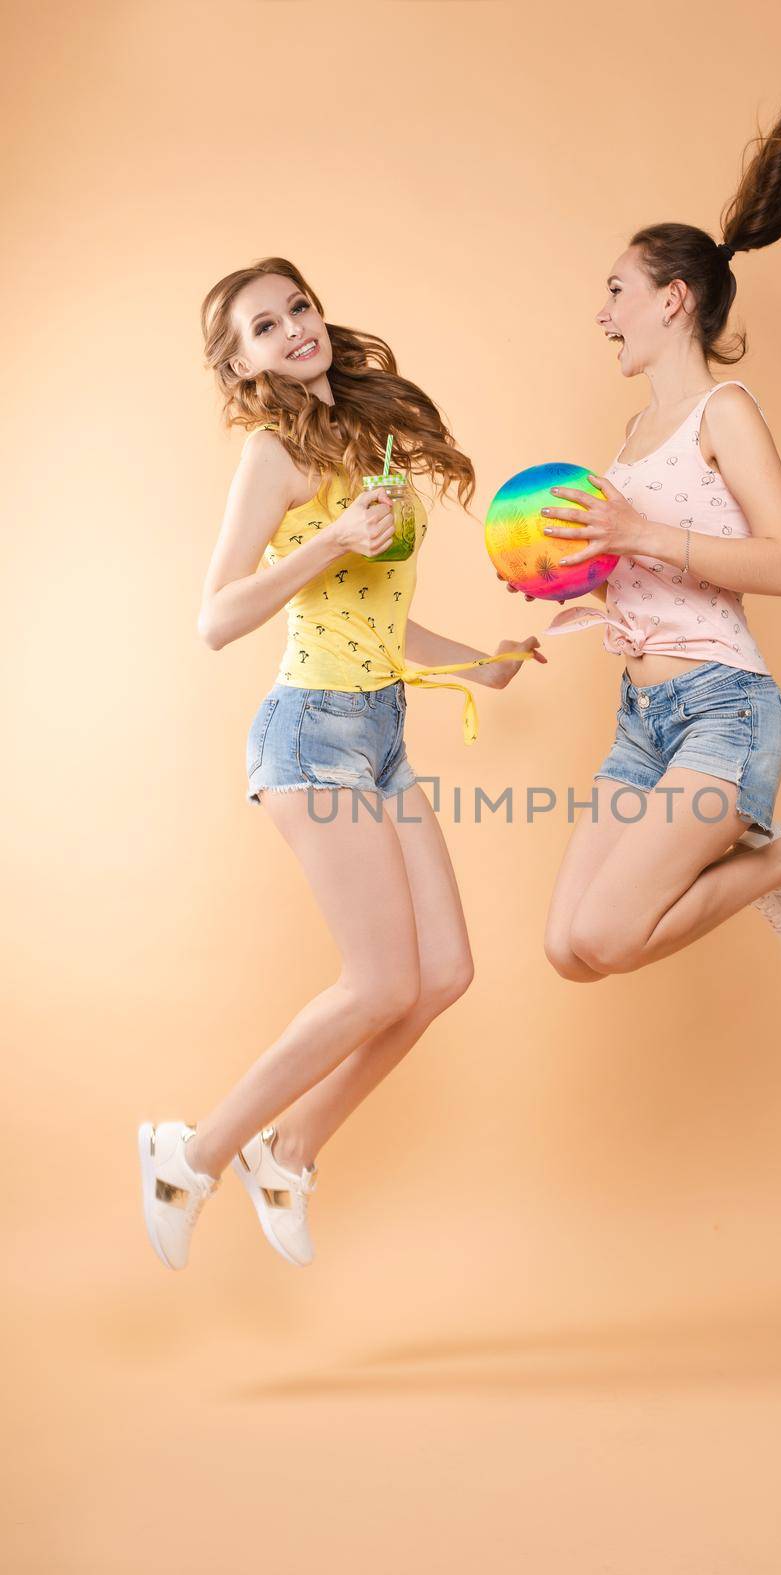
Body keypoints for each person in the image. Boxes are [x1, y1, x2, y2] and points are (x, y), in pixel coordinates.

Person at [138, 257, 543, 1270]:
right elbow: (216, 618)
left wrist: (485, 665)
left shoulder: (373, 439)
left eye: (299, 309)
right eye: (265, 328)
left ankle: (290, 1151)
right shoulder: (274, 456)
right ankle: (191, 1154)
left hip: (381, 732)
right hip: (311, 731)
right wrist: (325, 546)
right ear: (244, 363)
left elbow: (381, 618)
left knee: (440, 973)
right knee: (376, 983)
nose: (294, 330)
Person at [502, 75, 781, 983]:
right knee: (569, 951)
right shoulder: (630, 440)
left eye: (617, 291)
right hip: (641, 720)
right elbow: (636, 563)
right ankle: (780, 865)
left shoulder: (725, 411)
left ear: (672, 301)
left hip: (722, 708)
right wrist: (564, 578)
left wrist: (633, 533)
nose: (603, 312)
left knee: (611, 934)